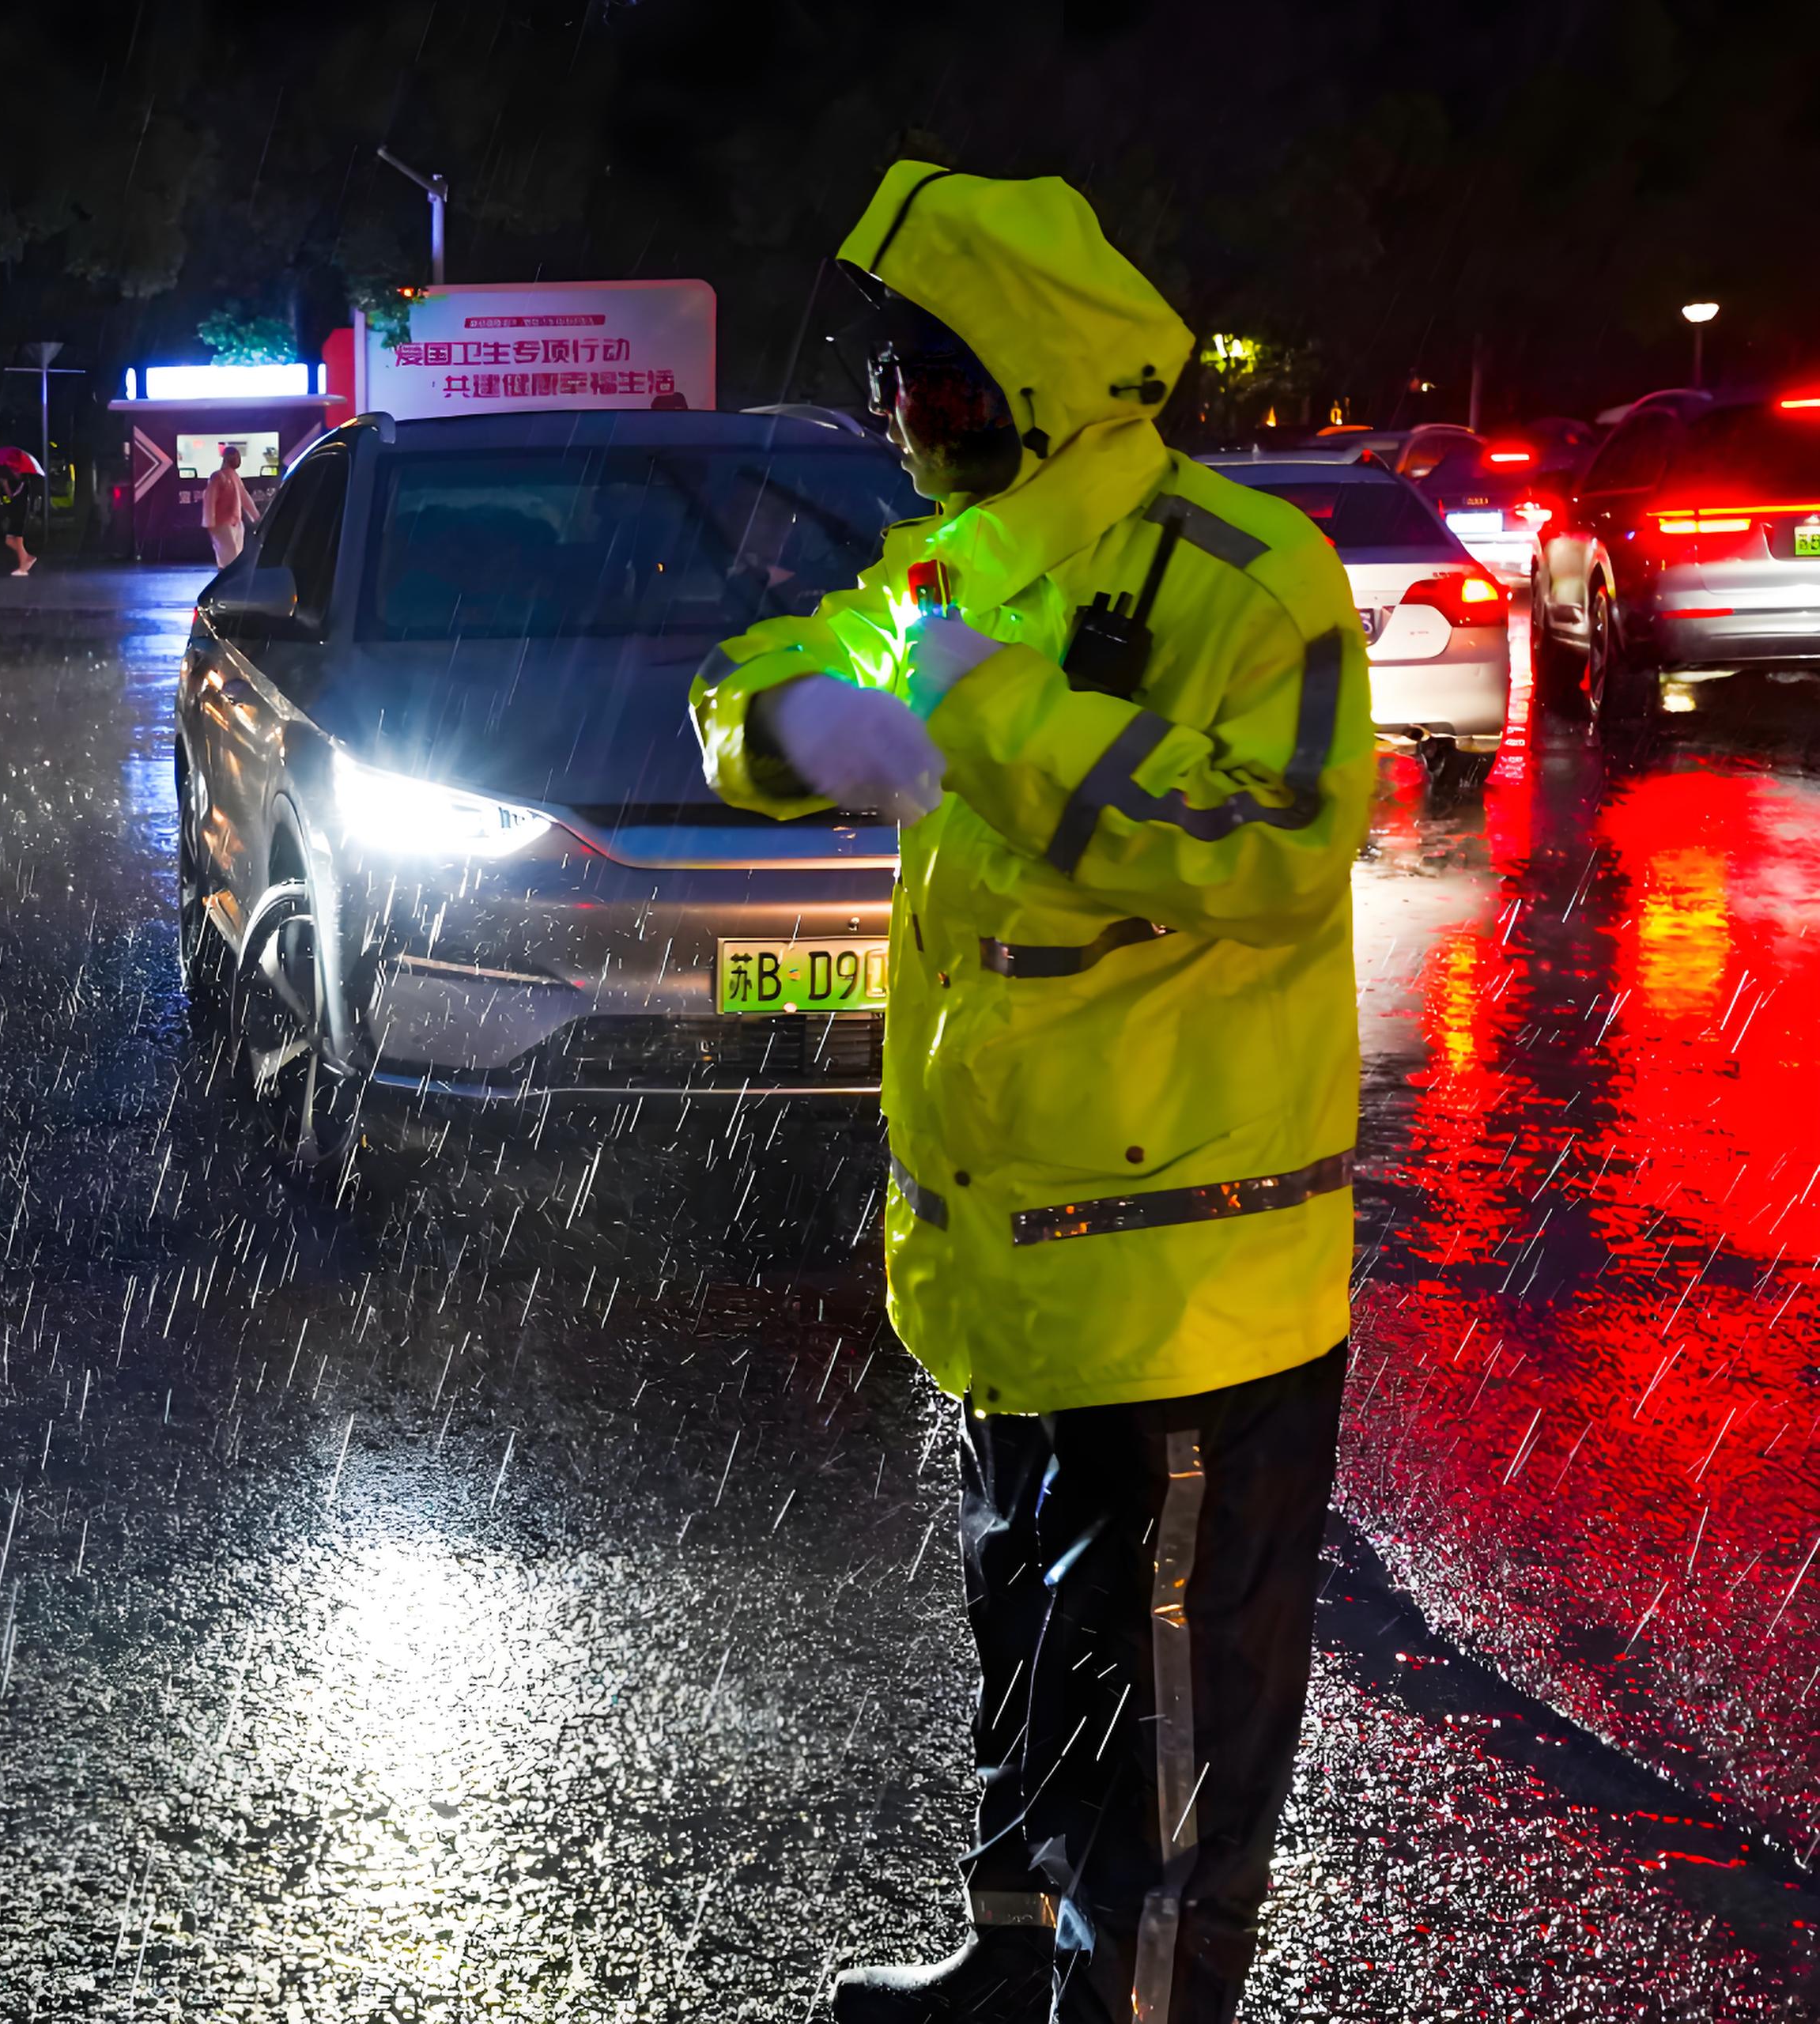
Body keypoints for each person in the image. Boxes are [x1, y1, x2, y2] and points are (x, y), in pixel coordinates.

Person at [688, 161, 1370, 2024]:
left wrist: (985, 710)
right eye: (893, 377)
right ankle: (1008, 1975)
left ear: (1030, 379)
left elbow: (1272, 845)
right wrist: (781, 719)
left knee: (1162, 1763)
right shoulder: (951, 571)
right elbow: (756, 676)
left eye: (931, 377)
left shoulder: (1244, 574)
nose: (900, 413)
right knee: (1036, 1668)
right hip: (1008, 1285)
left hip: (1181, 1308)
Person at [202, 443, 259, 569]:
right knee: (230, 558)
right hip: (222, 523)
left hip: (236, 523)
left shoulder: (234, 476)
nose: (238, 460)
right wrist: (210, 522)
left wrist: (256, 517)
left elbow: (244, 497)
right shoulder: (218, 476)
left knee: (236, 556)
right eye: (235, 457)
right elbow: (209, 499)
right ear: (227, 458)